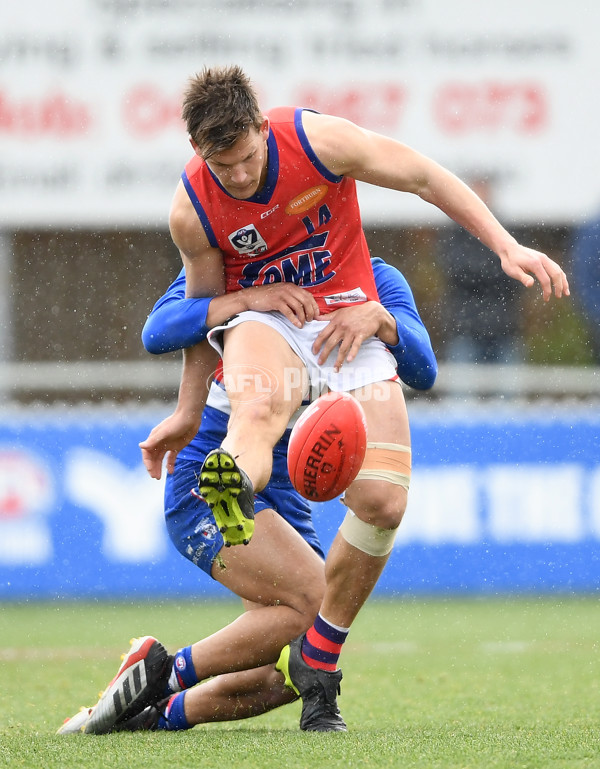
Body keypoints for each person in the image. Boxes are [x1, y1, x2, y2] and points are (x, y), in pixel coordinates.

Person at [79, 64, 569, 735]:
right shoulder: (193, 208)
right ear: (200, 155)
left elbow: (424, 176)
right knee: (259, 405)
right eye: (224, 167)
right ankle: (234, 477)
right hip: (266, 326)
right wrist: (195, 401)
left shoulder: (320, 150)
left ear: (263, 128)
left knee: (384, 503)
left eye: (249, 158)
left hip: (342, 318)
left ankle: (187, 691)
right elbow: (192, 318)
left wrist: (503, 246)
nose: (242, 177)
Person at [58, 257, 437, 735]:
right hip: (212, 476)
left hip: (285, 491)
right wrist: (246, 300)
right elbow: (158, 331)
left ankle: (153, 714)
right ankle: (162, 673)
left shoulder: (376, 278)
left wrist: (385, 322)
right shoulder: (247, 265)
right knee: (317, 605)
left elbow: (424, 370)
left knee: (301, 656)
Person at [436, 176, 524, 363]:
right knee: (463, 391)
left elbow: (516, 275)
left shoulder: (507, 231)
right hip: (465, 328)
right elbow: (455, 271)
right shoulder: (454, 232)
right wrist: (494, 268)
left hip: (503, 328)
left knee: (508, 390)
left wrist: (480, 270)